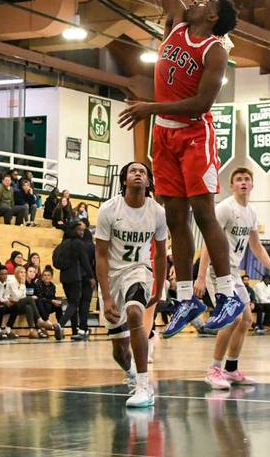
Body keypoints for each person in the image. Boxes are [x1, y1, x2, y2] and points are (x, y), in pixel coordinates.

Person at [118, 0, 244, 338]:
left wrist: (150, 107)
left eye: (204, 1)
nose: (194, 0)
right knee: (174, 216)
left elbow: (201, 105)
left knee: (203, 212)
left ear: (213, 16)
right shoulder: (174, 23)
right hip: (164, 136)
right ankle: (187, 297)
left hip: (193, 134)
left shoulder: (215, 51)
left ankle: (227, 293)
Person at [195, 167, 270, 389]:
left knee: (246, 319)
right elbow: (209, 242)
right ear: (232, 185)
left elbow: (256, 246)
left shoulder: (251, 212)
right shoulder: (224, 208)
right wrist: (200, 276)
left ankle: (231, 369)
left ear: (252, 184)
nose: (243, 182)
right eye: (238, 179)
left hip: (233, 272)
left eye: (247, 179)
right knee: (233, 318)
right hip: (217, 271)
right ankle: (214, 370)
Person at [95, 162, 168, 407]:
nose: (138, 173)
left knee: (136, 313)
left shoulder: (157, 212)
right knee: (119, 351)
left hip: (139, 271)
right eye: (133, 171)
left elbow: (161, 254)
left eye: (143, 171)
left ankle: (144, 387)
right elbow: (101, 255)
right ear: (124, 180)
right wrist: (106, 297)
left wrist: (158, 288)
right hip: (112, 277)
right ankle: (131, 374)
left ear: (148, 181)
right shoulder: (108, 209)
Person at [54, 222, 92, 340]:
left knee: (72, 303)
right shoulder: (78, 243)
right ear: (74, 231)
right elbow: (85, 261)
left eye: (83, 230)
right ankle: (60, 324)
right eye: (79, 230)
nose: (82, 232)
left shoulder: (64, 243)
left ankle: (75, 330)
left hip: (64, 277)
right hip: (75, 277)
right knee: (74, 303)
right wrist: (91, 276)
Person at [6, 265, 62, 340]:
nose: (24, 274)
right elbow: (17, 297)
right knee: (32, 299)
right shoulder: (14, 282)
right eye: (29, 271)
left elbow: (25, 296)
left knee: (30, 306)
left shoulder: (33, 284)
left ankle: (32, 330)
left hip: (25, 304)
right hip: (15, 303)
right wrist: (23, 285)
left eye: (33, 272)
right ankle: (42, 322)